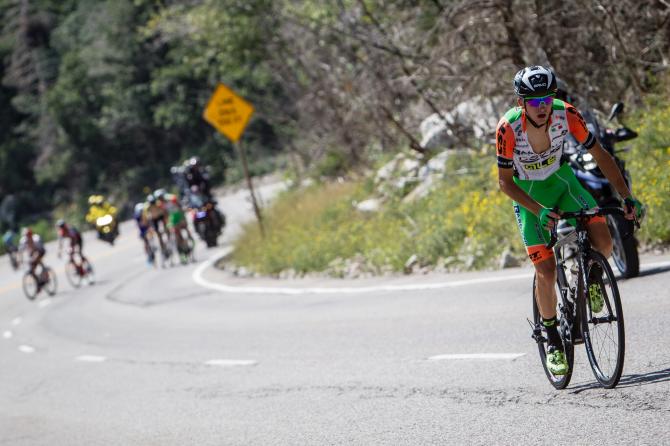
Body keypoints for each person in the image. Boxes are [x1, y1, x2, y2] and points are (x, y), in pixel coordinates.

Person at [495, 66, 644, 376]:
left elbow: (601, 155)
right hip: (528, 195)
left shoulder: (567, 114)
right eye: (534, 102)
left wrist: (626, 197)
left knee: (603, 238)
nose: (542, 107)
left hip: (562, 183)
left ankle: (591, 281)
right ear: (521, 103)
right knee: (546, 269)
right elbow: (505, 184)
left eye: (547, 99)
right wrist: (538, 211)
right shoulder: (507, 128)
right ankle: (551, 338)